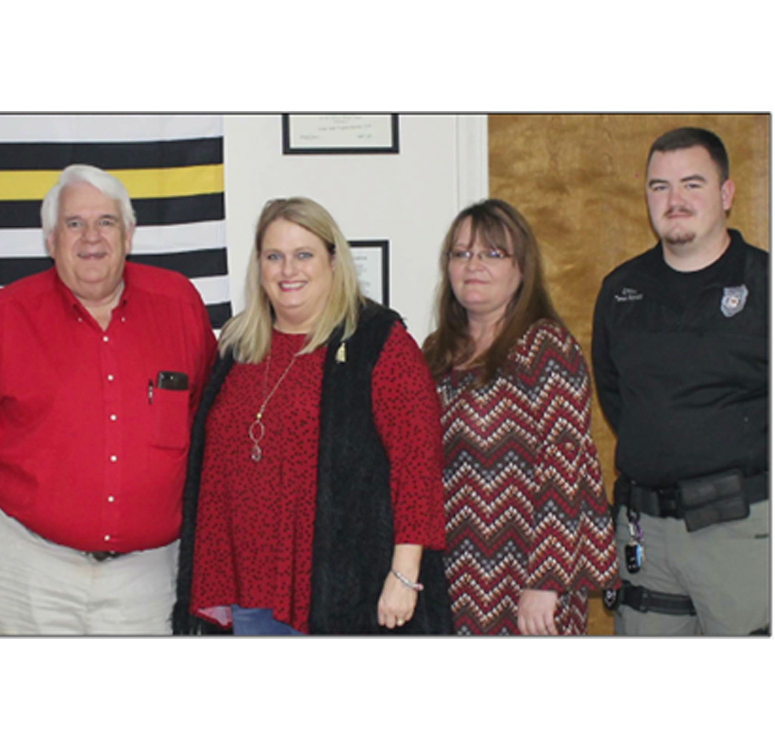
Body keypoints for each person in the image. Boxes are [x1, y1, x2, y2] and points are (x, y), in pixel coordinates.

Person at [0, 164, 216, 635]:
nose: (92, 237)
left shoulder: (180, 304)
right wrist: (15, 511)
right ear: (51, 241)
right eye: (74, 223)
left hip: (146, 579)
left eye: (106, 222)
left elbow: (207, 418)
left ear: (128, 236)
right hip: (25, 570)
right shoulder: (4, 316)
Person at [172, 197, 450, 635]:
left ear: (333, 261)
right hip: (247, 591)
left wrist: (403, 576)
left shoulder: (377, 342)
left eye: (304, 255)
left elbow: (417, 466)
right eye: (274, 256)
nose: (288, 270)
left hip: (341, 596)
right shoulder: (238, 346)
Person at [592, 127, 769, 635]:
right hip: (646, 536)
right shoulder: (621, 291)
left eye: (692, 184)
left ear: (726, 193)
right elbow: (617, 399)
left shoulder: (763, 282)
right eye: (660, 186)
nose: (675, 200)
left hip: (742, 530)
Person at [424, 199, 618, 635]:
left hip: (525, 581)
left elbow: (566, 466)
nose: (473, 265)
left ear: (522, 268)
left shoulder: (545, 348)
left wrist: (546, 581)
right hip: (445, 577)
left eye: (493, 254)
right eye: (461, 253)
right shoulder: (435, 352)